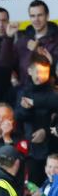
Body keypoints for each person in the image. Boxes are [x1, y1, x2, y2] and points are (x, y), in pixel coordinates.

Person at [16, 53, 58, 185]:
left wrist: (45, 131)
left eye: (45, 72)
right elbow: (18, 117)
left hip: (52, 148)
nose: (41, 76)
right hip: (31, 150)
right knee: (34, 187)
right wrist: (25, 108)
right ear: (29, 71)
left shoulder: (53, 92)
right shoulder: (23, 92)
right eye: (38, 71)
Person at [0, 0, 58, 86]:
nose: (36, 19)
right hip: (25, 94)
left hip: (49, 94)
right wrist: (8, 38)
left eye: (40, 15)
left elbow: (53, 71)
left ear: (47, 16)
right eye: (33, 16)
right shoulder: (23, 40)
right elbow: (5, 63)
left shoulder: (56, 40)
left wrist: (37, 50)